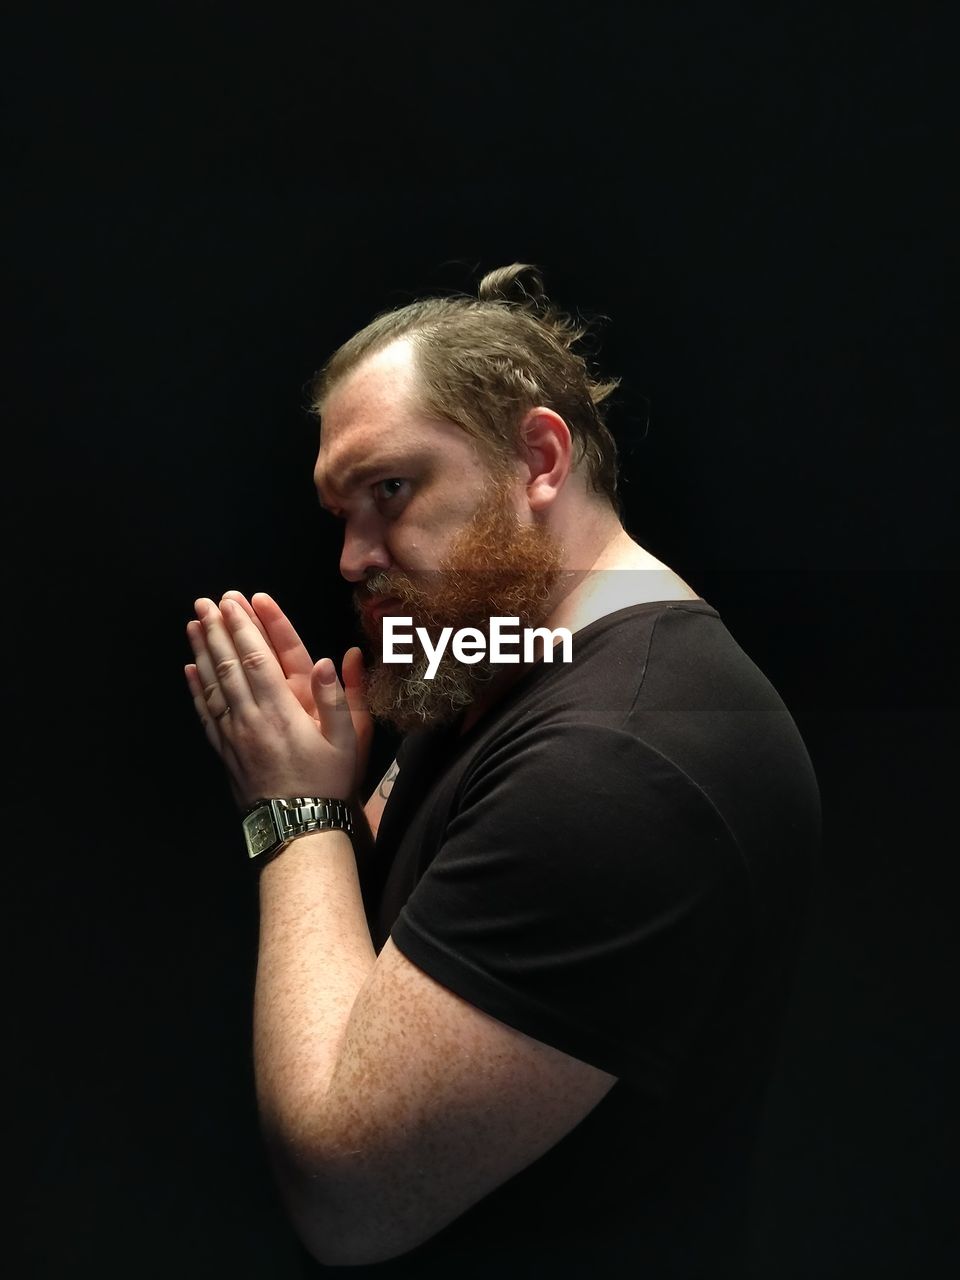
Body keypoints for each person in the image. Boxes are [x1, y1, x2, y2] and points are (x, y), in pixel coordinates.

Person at [184, 264, 821, 1276]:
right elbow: (391, 928)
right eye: (340, 512)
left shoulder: (617, 765)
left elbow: (347, 1199)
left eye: (390, 488)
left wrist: (295, 810)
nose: (352, 558)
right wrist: (333, 798)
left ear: (538, 456)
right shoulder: (517, 648)